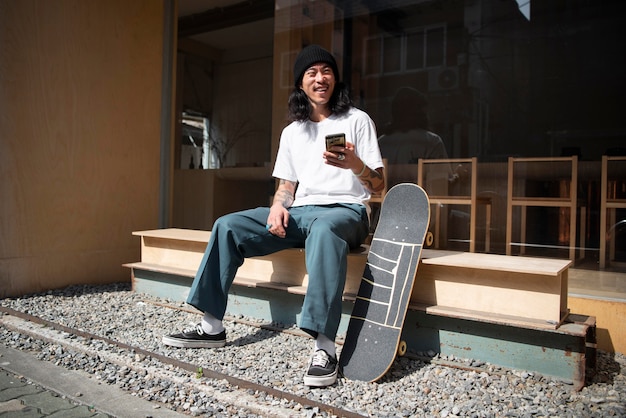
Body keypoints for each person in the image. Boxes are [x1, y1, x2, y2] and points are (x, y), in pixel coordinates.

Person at [162, 44, 385, 388]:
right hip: (301, 212)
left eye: (326, 71)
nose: (320, 77)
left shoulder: (357, 120)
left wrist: (355, 164)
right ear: (301, 84)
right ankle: (211, 326)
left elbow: (380, 186)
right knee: (228, 225)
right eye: (311, 73)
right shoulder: (293, 132)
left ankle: (324, 347)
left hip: (347, 211)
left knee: (325, 229)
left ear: (335, 79)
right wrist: (280, 205)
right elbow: (286, 185)